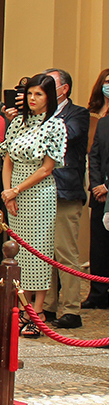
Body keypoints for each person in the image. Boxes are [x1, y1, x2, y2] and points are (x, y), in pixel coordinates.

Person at [0, 74, 66, 337]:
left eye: (38, 94)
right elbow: (7, 159)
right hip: (13, 191)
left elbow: (47, 168)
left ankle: (35, 313)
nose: (33, 99)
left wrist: (17, 189)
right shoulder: (18, 122)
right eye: (29, 94)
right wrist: (8, 192)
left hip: (38, 193)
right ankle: (18, 306)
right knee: (17, 252)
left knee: (38, 251)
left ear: (49, 96)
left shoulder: (55, 125)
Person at [42, 68, 89, 330]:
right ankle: (47, 304)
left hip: (65, 190)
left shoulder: (78, 114)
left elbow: (68, 135)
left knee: (65, 251)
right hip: (40, 191)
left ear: (64, 89)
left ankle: (72, 309)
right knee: (44, 251)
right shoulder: (38, 116)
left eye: (50, 84)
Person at [85, 72, 109, 309]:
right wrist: (96, 185)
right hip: (100, 194)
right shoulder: (103, 122)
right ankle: (98, 293)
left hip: (108, 188)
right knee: (99, 246)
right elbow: (95, 156)